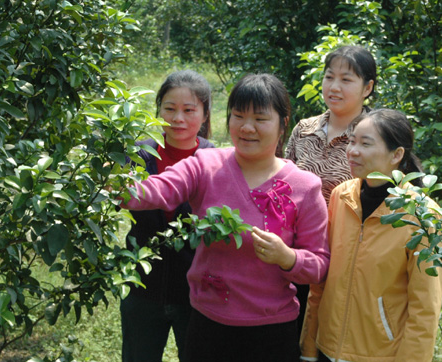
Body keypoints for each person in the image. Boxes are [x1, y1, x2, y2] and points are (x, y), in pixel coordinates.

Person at [120, 73, 330, 362]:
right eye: (238, 116)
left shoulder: (304, 187)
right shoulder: (207, 164)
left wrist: (288, 258)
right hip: (208, 323)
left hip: (271, 331)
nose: (246, 127)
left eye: (260, 119)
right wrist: (116, 187)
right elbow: (159, 189)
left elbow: (319, 265)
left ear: (283, 124)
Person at [300, 109, 442, 362]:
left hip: (380, 355)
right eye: (352, 141)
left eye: (365, 144)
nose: (352, 151)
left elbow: (425, 308)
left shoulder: (422, 215)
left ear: (397, 155)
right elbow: (321, 282)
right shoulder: (341, 197)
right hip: (327, 347)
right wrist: (309, 346)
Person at [119, 70, 215, 362]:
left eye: (189, 110)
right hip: (142, 290)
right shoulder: (138, 155)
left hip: (196, 295)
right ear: (158, 110)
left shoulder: (215, 161)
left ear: (205, 114)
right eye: (169, 109)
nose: (178, 119)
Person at [285, 45, 377, 333]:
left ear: (368, 87)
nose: (334, 87)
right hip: (296, 256)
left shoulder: (376, 139)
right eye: (329, 77)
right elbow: (281, 185)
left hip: (346, 258)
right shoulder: (304, 129)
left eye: (346, 79)